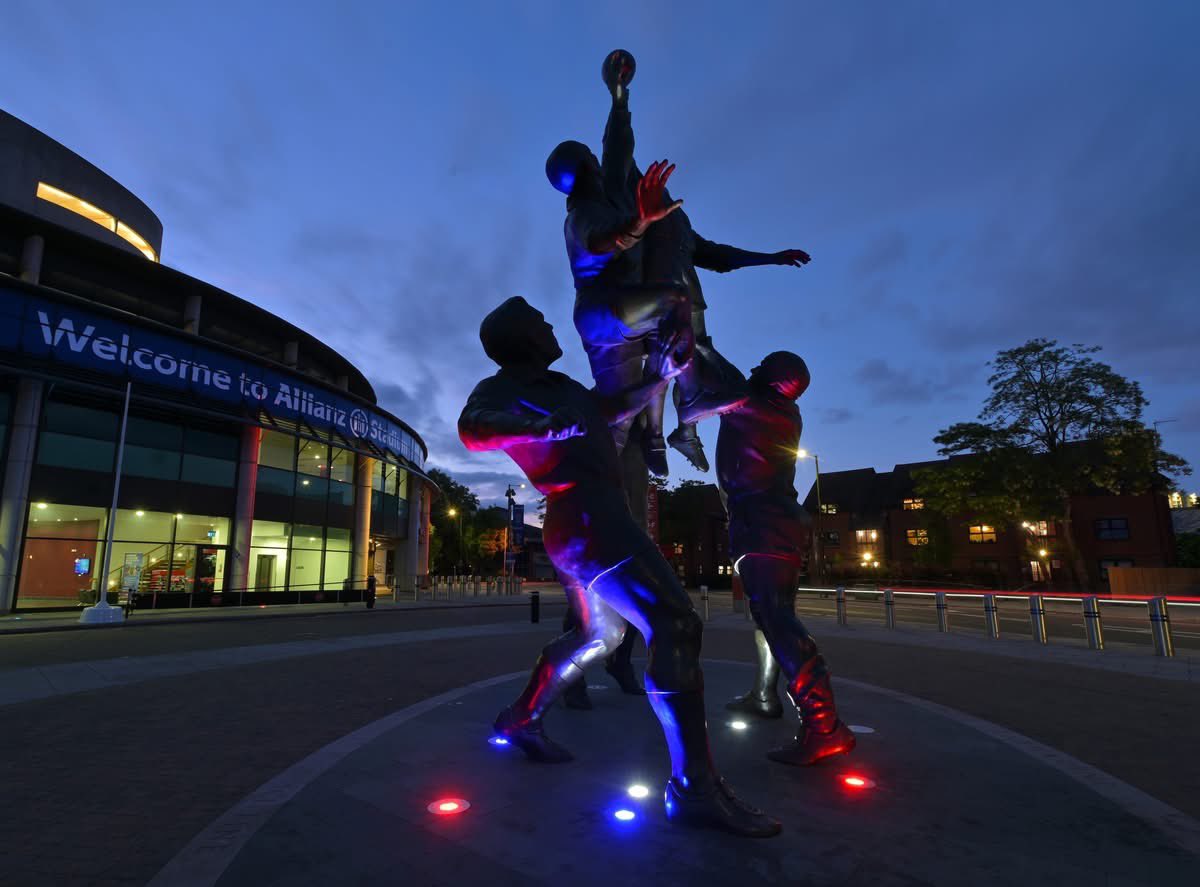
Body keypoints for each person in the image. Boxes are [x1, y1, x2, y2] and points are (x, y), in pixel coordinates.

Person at [459, 296, 780, 838]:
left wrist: (660, 377)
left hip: (589, 517)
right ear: (519, 338)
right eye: (539, 321)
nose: (548, 324)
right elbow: (475, 429)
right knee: (675, 625)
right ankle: (693, 788)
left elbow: (608, 411)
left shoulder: (564, 389)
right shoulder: (505, 388)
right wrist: (537, 430)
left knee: (598, 636)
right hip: (587, 518)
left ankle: (521, 718)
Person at [545, 49, 744, 476]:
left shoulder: (613, 190)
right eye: (591, 161)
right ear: (581, 171)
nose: (600, 164)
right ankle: (681, 409)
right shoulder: (580, 216)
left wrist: (619, 96)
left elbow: (618, 145)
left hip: (628, 302)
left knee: (667, 328)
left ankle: (661, 431)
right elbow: (602, 243)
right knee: (615, 422)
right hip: (602, 313)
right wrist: (639, 223)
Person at [715, 352, 855, 766]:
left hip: (762, 523)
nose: (753, 369)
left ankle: (824, 726)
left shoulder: (753, 403)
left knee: (776, 618)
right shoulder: (783, 411)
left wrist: (697, 338)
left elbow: (703, 389)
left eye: (762, 367)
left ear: (772, 379)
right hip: (774, 522)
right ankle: (763, 695)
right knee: (771, 616)